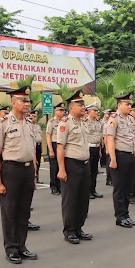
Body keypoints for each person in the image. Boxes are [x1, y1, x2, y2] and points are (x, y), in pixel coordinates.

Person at [0, 86, 38, 264]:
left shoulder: (29, 123)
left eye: (28, 101)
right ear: (13, 103)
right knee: (10, 211)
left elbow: (32, 151)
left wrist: (33, 175)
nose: (27, 104)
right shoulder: (2, 124)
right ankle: (11, 248)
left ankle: (22, 246)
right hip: (11, 170)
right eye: (23, 101)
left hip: (27, 170)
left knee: (24, 211)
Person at [56, 91, 93, 244]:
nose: (83, 107)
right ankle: (69, 230)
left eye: (83, 104)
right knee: (70, 199)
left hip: (85, 164)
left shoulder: (83, 122)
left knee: (83, 198)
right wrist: (61, 169)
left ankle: (79, 227)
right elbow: (60, 147)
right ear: (71, 108)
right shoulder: (65, 124)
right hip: (71, 164)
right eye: (80, 105)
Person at [106, 92, 135, 227]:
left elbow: (132, 139)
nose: (129, 107)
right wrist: (113, 159)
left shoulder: (130, 119)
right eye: (127, 104)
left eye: (130, 104)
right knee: (119, 188)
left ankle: (126, 214)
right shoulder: (114, 119)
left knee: (128, 187)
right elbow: (110, 139)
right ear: (119, 105)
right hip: (119, 156)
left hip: (130, 155)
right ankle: (120, 216)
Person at [84, 104, 104, 199]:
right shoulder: (85, 122)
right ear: (89, 111)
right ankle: (87, 191)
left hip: (96, 148)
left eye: (97, 111)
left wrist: (99, 150)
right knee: (89, 171)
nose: (96, 112)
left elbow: (99, 137)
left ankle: (93, 189)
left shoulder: (98, 122)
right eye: (94, 111)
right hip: (89, 148)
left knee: (94, 171)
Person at [46, 102, 65, 195]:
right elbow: (48, 136)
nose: (62, 112)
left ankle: (60, 185)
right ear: (55, 111)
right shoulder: (51, 122)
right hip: (54, 144)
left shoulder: (64, 121)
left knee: (61, 166)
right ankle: (54, 186)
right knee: (54, 167)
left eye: (63, 110)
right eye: (60, 110)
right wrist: (50, 150)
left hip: (62, 145)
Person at [31, 111, 44, 183]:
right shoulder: (29, 125)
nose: (34, 118)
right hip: (33, 146)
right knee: (34, 162)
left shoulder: (38, 126)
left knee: (38, 162)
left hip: (39, 145)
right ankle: (33, 177)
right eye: (33, 116)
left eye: (35, 116)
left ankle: (37, 177)